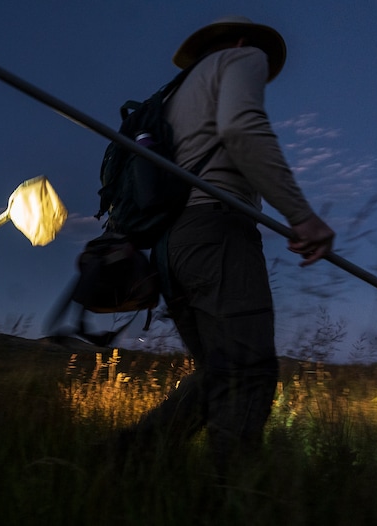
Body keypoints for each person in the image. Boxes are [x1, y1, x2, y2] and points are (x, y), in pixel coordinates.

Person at [122, 17, 336, 474]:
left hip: (169, 249)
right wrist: (301, 215)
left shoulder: (171, 96)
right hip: (217, 233)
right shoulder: (244, 56)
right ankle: (235, 500)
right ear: (241, 42)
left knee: (219, 373)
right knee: (247, 373)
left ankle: (124, 464)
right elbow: (242, 128)